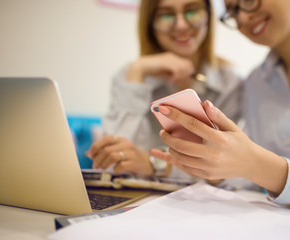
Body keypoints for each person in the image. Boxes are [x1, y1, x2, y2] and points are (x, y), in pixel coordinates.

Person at [150, 0, 290, 221]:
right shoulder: (255, 82)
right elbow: (251, 178)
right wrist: (216, 163)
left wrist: (258, 164)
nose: (241, 18)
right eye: (232, 10)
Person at [86, 0, 242, 180]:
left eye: (192, 11)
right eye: (166, 15)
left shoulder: (230, 82)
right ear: (150, 23)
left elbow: (227, 172)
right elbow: (113, 164)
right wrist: (138, 71)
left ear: (208, 15)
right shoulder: (128, 76)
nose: (182, 25)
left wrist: (154, 165)